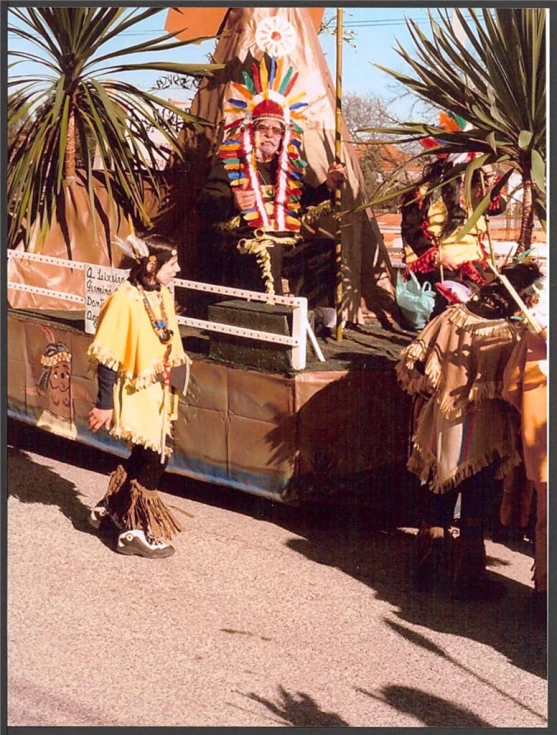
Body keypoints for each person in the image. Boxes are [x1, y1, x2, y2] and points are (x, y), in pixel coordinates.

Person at [396, 260, 542, 599]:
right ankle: (468, 580)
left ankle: (427, 568)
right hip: (486, 434)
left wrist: (433, 388)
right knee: (476, 501)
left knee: (438, 487)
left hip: (442, 423)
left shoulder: (449, 318)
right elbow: (516, 390)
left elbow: (412, 363)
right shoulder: (511, 335)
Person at [197, 56, 346, 297]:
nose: (269, 135)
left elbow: (304, 202)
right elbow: (206, 203)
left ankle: (310, 316)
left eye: (276, 130)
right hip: (241, 241)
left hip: (282, 238)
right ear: (250, 132)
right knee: (269, 247)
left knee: (325, 249)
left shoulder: (285, 169)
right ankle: (272, 320)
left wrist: (328, 185)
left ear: (283, 137)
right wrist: (232, 202)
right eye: (263, 128)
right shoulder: (229, 164)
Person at [87, 233, 191, 559]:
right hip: (135, 391)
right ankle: (136, 532)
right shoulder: (124, 299)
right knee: (158, 457)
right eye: (171, 264)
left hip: (159, 391)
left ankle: (110, 510)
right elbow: (107, 353)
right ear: (151, 263)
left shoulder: (159, 294)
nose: (177, 269)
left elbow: (169, 343)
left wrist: (177, 383)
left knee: (146, 455)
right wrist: (104, 404)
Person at [400, 115, 507, 317]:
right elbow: (410, 229)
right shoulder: (422, 192)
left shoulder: (478, 188)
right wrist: (435, 255)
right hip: (442, 263)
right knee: (452, 311)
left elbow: (497, 207)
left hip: (475, 262)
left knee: (488, 306)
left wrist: (490, 175)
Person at [502, 272, 547, 613]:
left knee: (547, 517)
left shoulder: (533, 336)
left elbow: (511, 389)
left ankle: (544, 592)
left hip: (542, 445)